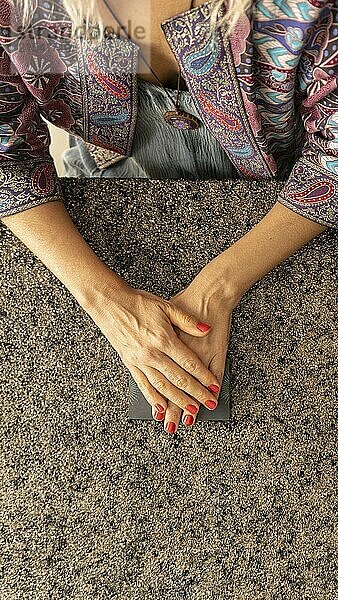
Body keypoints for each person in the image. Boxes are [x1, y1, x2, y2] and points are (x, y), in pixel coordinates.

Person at [0, 0, 337, 436]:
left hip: (286, 190)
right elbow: (7, 154)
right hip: (107, 175)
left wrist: (219, 286)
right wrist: (103, 298)